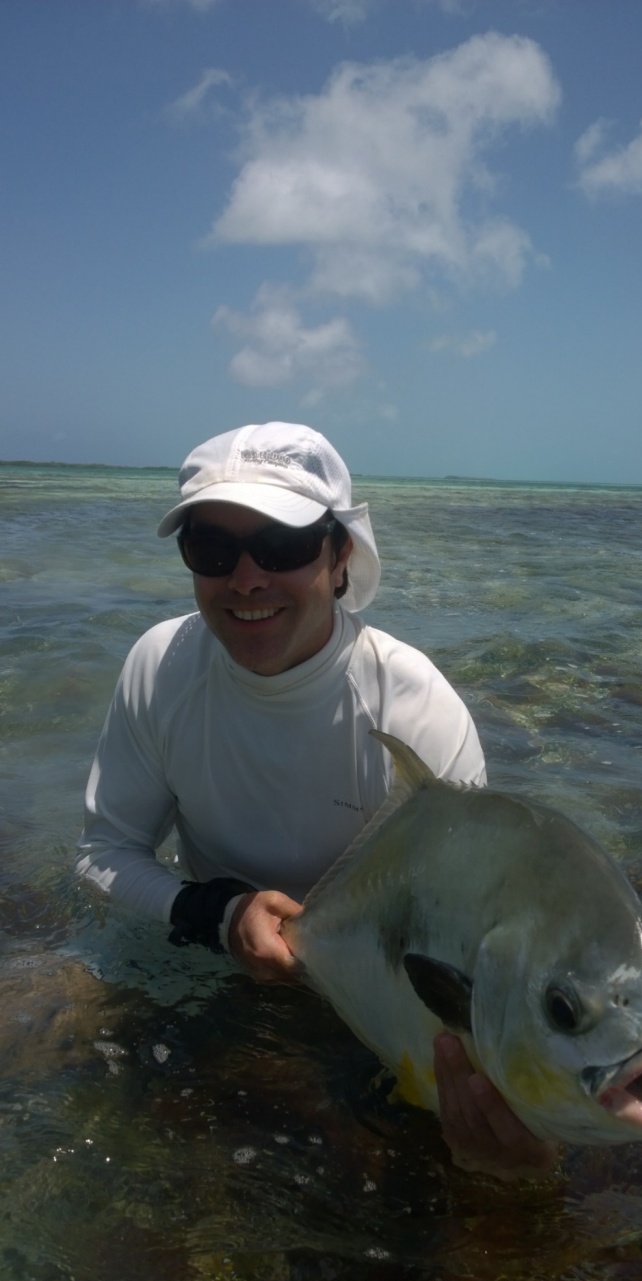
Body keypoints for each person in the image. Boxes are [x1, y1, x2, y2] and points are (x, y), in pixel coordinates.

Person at [76, 420, 555, 1179]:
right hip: (215, 960)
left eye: (282, 546)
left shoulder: (413, 707)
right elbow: (104, 854)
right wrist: (222, 915)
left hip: (371, 1005)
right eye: (212, 548)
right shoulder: (158, 667)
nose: (245, 578)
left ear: (339, 559)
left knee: (486, 1170)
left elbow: (460, 942)